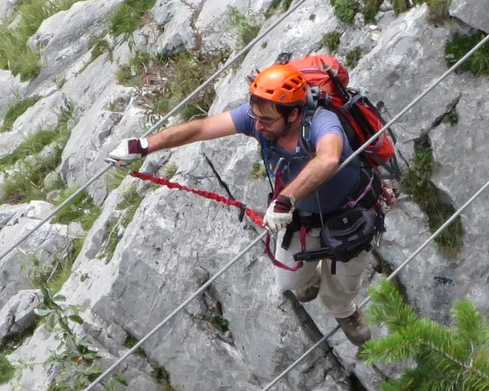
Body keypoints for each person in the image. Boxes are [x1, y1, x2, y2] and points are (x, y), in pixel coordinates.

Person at [107, 64, 383, 348]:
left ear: (294, 114)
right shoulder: (259, 118)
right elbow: (201, 128)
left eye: (266, 120)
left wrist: (285, 198)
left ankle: (344, 312)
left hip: (350, 214)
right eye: (255, 116)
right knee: (289, 282)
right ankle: (309, 279)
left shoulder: (323, 123)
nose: (258, 124)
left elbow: (327, 159)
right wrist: (144, 144)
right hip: (303, 216)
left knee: (340, 290)